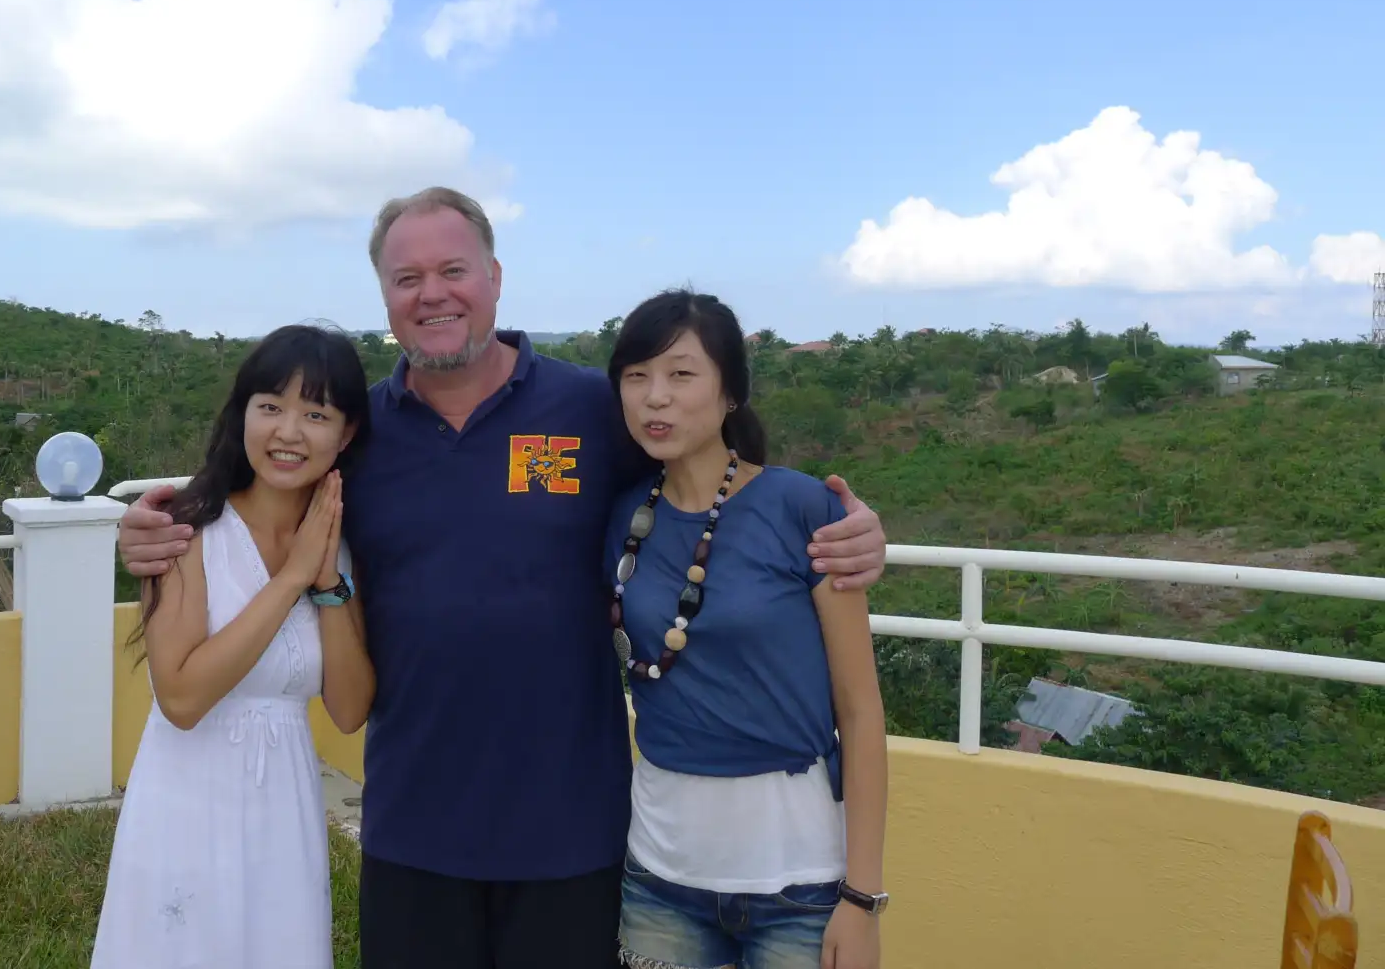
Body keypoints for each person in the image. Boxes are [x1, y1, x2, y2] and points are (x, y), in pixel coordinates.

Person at [118, 187, 890, 969]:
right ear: (384, 294)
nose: (432, 293)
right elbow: (266, 482)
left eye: (452, 270)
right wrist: (154, 526)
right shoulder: (359, 432)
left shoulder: (592, 408)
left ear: (494, 276)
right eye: (407, 278)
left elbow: (711, 478)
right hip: (413, 828)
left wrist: (855, 532)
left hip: (572, 831)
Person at [606, 291, 886, 969]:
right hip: (659, 878)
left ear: (730, 392)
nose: (655, 397)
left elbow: (860, 710)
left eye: (681, 374)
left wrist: (862, 897)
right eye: (637, 376)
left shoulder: (802, 508)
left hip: (800, 885)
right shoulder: (624, 519)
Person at [93, 325, 375, 967]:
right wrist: (293, 577)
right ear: (242, 412)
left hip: (285, 810)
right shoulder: (187, 531)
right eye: (270, 407)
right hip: (187, 804)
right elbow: (182, 699)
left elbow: (350, 709)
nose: (288, 432)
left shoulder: (338, 542)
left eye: (316, 414)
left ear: (346, 433)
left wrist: (327, 583)